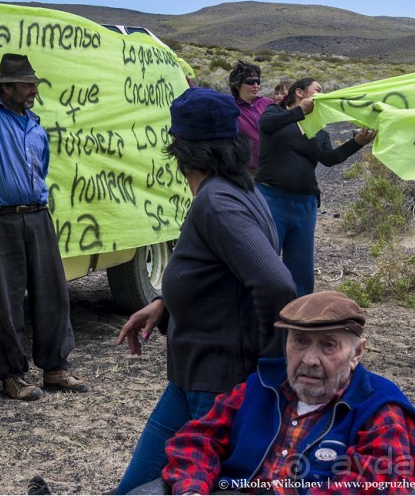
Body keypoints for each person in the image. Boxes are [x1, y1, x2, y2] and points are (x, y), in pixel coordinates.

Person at [114, 87, 297, 494]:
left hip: (216, 387)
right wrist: (165, 303)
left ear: (181, 150)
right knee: (135, 488)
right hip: (193, 379)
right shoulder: (240, 189)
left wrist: (270, 366)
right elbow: (223, 273)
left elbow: (275, 283)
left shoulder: (218, 202)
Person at [0, 0, 89, 401]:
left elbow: (41, 168)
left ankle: (56, 368)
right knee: (5, 299)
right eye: (27, 85)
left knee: (52, 292)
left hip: (37, 216)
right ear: (6, 88)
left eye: (34, 84)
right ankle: (12, 376)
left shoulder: (36, 126)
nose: (33, 90)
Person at [163, 290, 415, 495]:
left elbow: (384, 482)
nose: (310, 359)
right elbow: (198, 439)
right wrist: (192, 490)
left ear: (357, 353)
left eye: (328, 345)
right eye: (299, 341)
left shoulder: (380, 407)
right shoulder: (260, 386)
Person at [256, 78, 377, 296]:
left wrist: (357, 142)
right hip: (271, 199)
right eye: (318, 90)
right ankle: (262, 316)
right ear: (300, 92)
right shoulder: (275, 112)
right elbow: (265, 126)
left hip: (304, 205)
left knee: (301, 267)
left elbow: (330, 158)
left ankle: (300, 318)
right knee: (266, 261)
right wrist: (299, 111)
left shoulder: (319, 129)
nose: (322, 94)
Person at [228, 60, 273, 172]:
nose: (256, 85)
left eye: (258, 81)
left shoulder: (268, 103)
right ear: (237, 84)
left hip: (273, 167)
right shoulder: (230, 108)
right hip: (245, 170)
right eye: (250, 81)